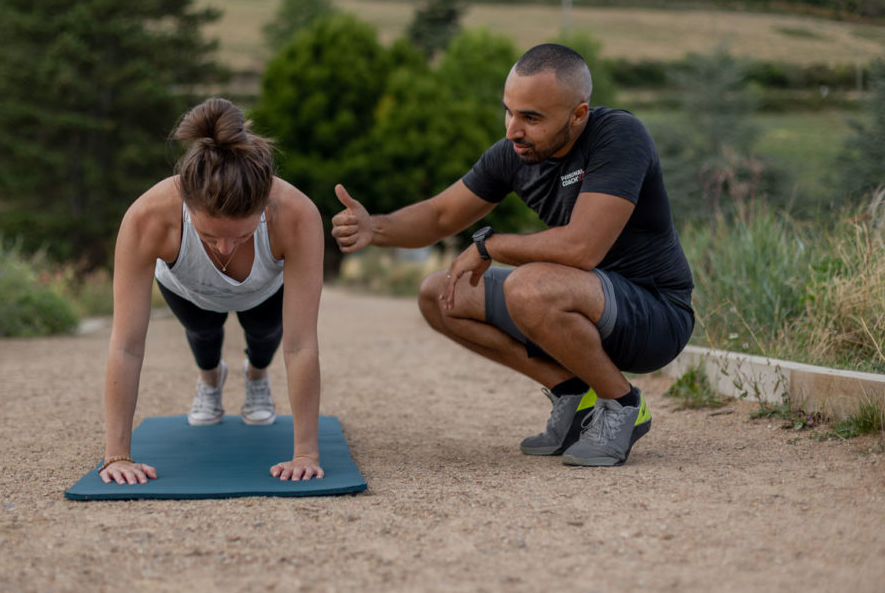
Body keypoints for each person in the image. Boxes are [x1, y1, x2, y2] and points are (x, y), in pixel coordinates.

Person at [331, 44, 693, 467]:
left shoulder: (618, 136)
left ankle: (623, 405)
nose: (513, 130)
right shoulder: (515, 154)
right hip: (580, 302)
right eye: (510, 112)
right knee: (440, 294)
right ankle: (574, 396)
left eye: (531, 118)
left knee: (529, 286)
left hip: (653, 314)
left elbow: (581, 247)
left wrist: (492, 245)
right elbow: (440, 214)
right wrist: (374, 227)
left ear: (578, 115)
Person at [98, 97, 325, 485]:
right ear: (185, 203)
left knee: (266, 334)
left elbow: (301, 344)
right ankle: (210, 380)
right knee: (203, 333)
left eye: (241, 234)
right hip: (189, 289)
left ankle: (256, 377)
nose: (223, 249)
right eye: (208, 235)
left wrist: (305, 452)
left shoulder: (297, 215)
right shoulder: (147, 218)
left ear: (265, 204)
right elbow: (126, 345)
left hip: (264, 289)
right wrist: (116, 455)